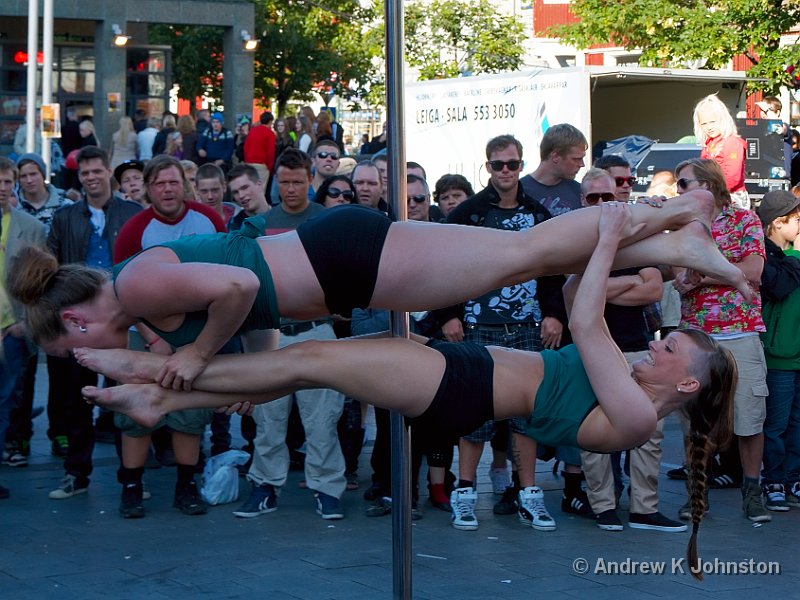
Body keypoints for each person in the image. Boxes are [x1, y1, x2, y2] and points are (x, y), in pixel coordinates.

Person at [75, 202, 736, 581]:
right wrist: (625, 249)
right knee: (311, 360)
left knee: (314, 361)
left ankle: (156, 393)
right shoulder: (630, 385)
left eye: (669, 347)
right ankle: (162, 396)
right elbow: (574, 300)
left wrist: (612, 240)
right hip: (464, 364)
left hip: (461, 387)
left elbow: (586, 317)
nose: (656, 341)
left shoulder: (634, 417)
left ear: (681, 383)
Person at [672, 157, 769, 523]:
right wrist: (720, 273)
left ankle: (752, 491)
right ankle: (697, 495)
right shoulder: (682, 226)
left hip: (740, 332)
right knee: (695, 420)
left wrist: (705, 275)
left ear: (708, 186)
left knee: (749, 417)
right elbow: (681, 278)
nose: (678, 191)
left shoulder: (744, 219)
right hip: (696, 336)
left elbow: (754, 270)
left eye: (684, 184)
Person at [0, 156, 46, 495]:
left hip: (11, 331)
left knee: (5, 402)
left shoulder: (30, 227)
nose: (2, 189)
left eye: (7, 182)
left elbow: (40, 282)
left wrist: (24, 324)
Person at [755, 190, 800, 510]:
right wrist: (797, 254)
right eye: (797, 220)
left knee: (797, 422)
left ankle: (793, 476)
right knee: (776, 422)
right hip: (779, 356)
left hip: (796, 353)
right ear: (777, 223)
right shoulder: (765, 255)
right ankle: (773, 479)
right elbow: (779, 287)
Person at [693, 94, 749, 210]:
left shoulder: (732, 142)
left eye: (712, 122)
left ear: (722, 119)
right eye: (704, 124)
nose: (709, 127)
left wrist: (710, 192)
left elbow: (733, 177)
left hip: (731, 197)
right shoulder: (708, 145)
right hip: (712, 195)